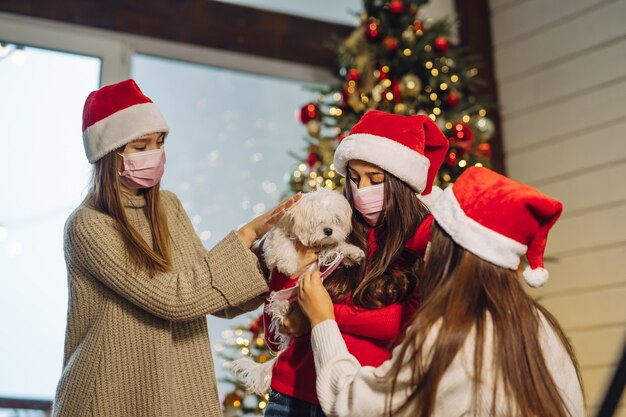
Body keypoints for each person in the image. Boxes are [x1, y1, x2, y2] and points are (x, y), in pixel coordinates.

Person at [53, 79, 299, 417]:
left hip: (177, 393)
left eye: (159, 142)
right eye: (141, 146)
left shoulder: (168, 207)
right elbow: (174, 298)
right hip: (108, 398)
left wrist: (277, 254)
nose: (154, 154)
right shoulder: (88, 226)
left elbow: (212, 295)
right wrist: (245, 236)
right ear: (109, 154)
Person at [298, 167, 585, 417]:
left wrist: (323, 320)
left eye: (432, 243)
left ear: (449, 251)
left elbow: (353, 404)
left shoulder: (449, 334)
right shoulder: (542, 325)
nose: (425, 255)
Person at [262, 110, 449, 416]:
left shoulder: (424, 238)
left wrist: (322, 314)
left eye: (376, 180)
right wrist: (289, 282)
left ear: (402, 182)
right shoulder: (330, 226)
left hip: (362, 401)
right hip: (290, 397)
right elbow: (274, 330)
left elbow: (407, 324)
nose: (362, 190)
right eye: (354, 177)